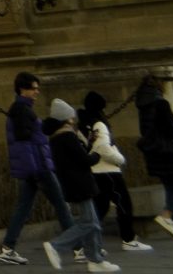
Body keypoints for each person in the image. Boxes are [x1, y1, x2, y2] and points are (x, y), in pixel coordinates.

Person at [0, 71, 78, 266]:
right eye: (33, 88)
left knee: (23, 207)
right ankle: (79, 246)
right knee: (61, 205)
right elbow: (26, 140)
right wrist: (38, 166)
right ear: (22, 89)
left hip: (32, 167)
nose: (37, 92)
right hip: (39, 167)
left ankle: (8, 247)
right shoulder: (22, 110)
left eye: (37, 88)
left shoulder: (21, 109)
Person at [43, 99, 118, 271]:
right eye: (71, 116)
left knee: (93, 222)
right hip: (80, 183)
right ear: (67, 119)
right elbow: (85, 160)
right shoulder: (67, 136)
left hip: (74, 183)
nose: (74, 119)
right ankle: (56, 246)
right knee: (89, 222)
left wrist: (89, 144)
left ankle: (95, 260)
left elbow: (77, 156)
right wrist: (98, 153)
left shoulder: (57, 137)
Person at [80, 90, 151, 253]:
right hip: (109, 171)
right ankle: (128, 239)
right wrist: (120, 159)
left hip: (95, 171)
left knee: (100, 208)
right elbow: (103, 147)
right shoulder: (99, 124)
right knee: (124, 204)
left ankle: (87, 241)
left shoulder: (84, 124)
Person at [134, 76, 173, 240]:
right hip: (168, 151)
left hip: (154, 152)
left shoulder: (143, 105)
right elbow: (170, 128)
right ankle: (167, 214)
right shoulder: (161, 103)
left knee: (170, 185)